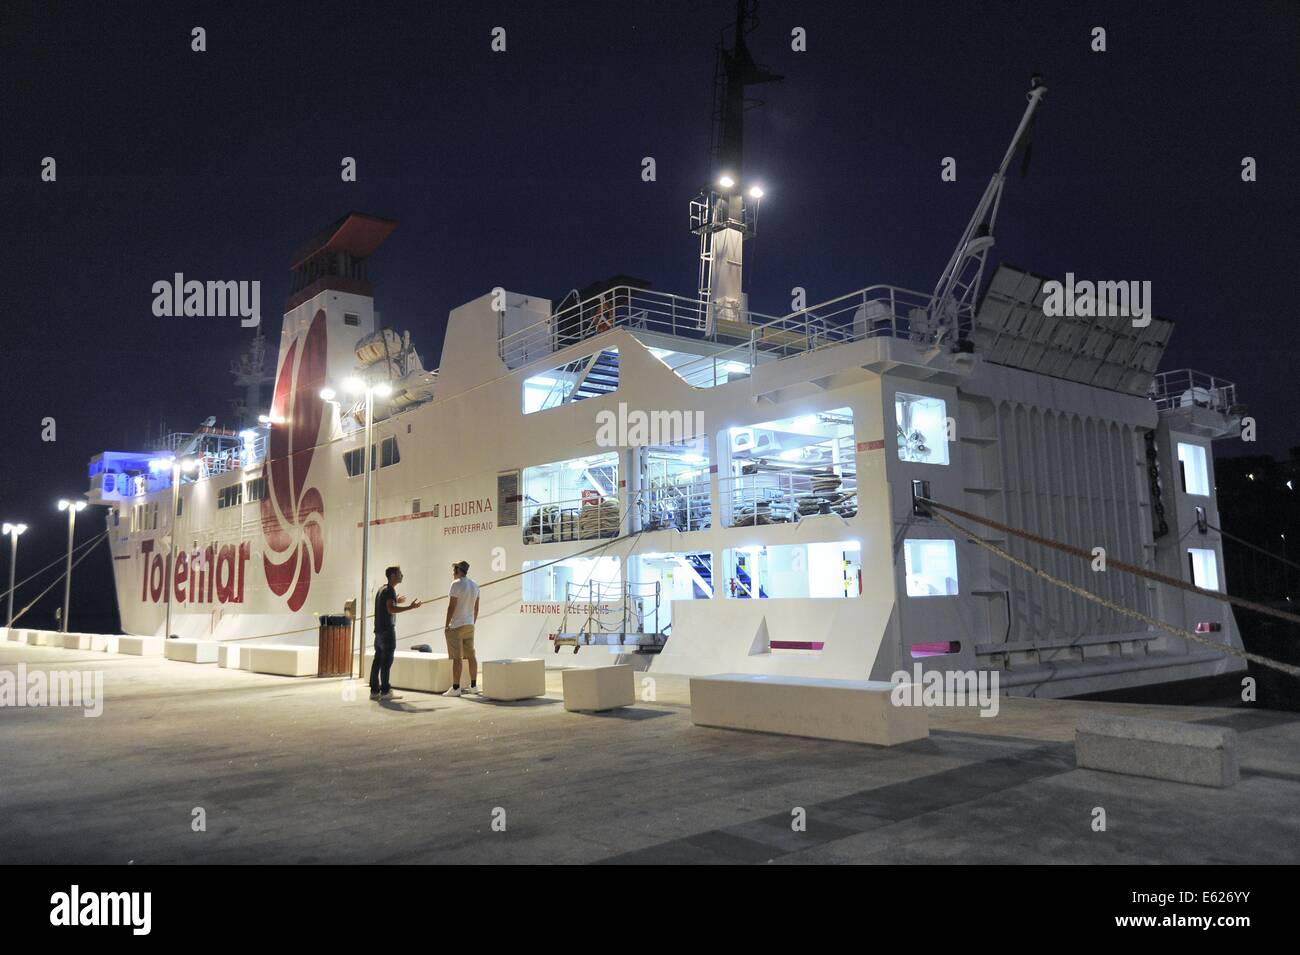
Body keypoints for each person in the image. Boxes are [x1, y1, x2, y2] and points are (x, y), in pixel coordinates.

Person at [371, 565, 421, 701]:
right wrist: (410, 607)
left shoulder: (382, 589)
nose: (402, 575)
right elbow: (391, 609)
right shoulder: (389, 590)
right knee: (386, 661)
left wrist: (395, 601)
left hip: (379, 630)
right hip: (387, 631)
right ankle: (385, 691)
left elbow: (387, 605)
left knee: (378, 661)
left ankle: (374, 690)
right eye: (400, 573)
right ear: (393, 576)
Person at [442, 560, 480, 697]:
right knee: (471, 656)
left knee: (457, 658)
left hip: (457, 625)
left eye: (454, 569)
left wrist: (446, 625)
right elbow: (476, 608)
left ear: (459, 570)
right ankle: (474, 686)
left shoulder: (455, 584)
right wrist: (472, 622)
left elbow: (451, 607)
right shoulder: (475, 585)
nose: (453, 572)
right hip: (469, 624)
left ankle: (456, 687)